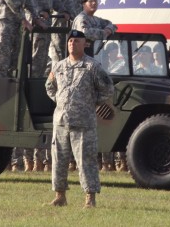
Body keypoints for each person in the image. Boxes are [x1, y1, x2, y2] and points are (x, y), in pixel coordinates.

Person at [45, 29, 114, 209]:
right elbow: (49, 87)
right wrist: (60, 101)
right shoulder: (59, 66)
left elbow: (108, 90)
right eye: (70, 41)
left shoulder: (92, 66)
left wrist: (90, 103)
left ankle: (90, 198)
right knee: (59, 160)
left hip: (83, 122)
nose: (72, 44)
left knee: (86, 161)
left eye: (76, 41)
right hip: (61, 121)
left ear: (85, 44)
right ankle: (60, 195)